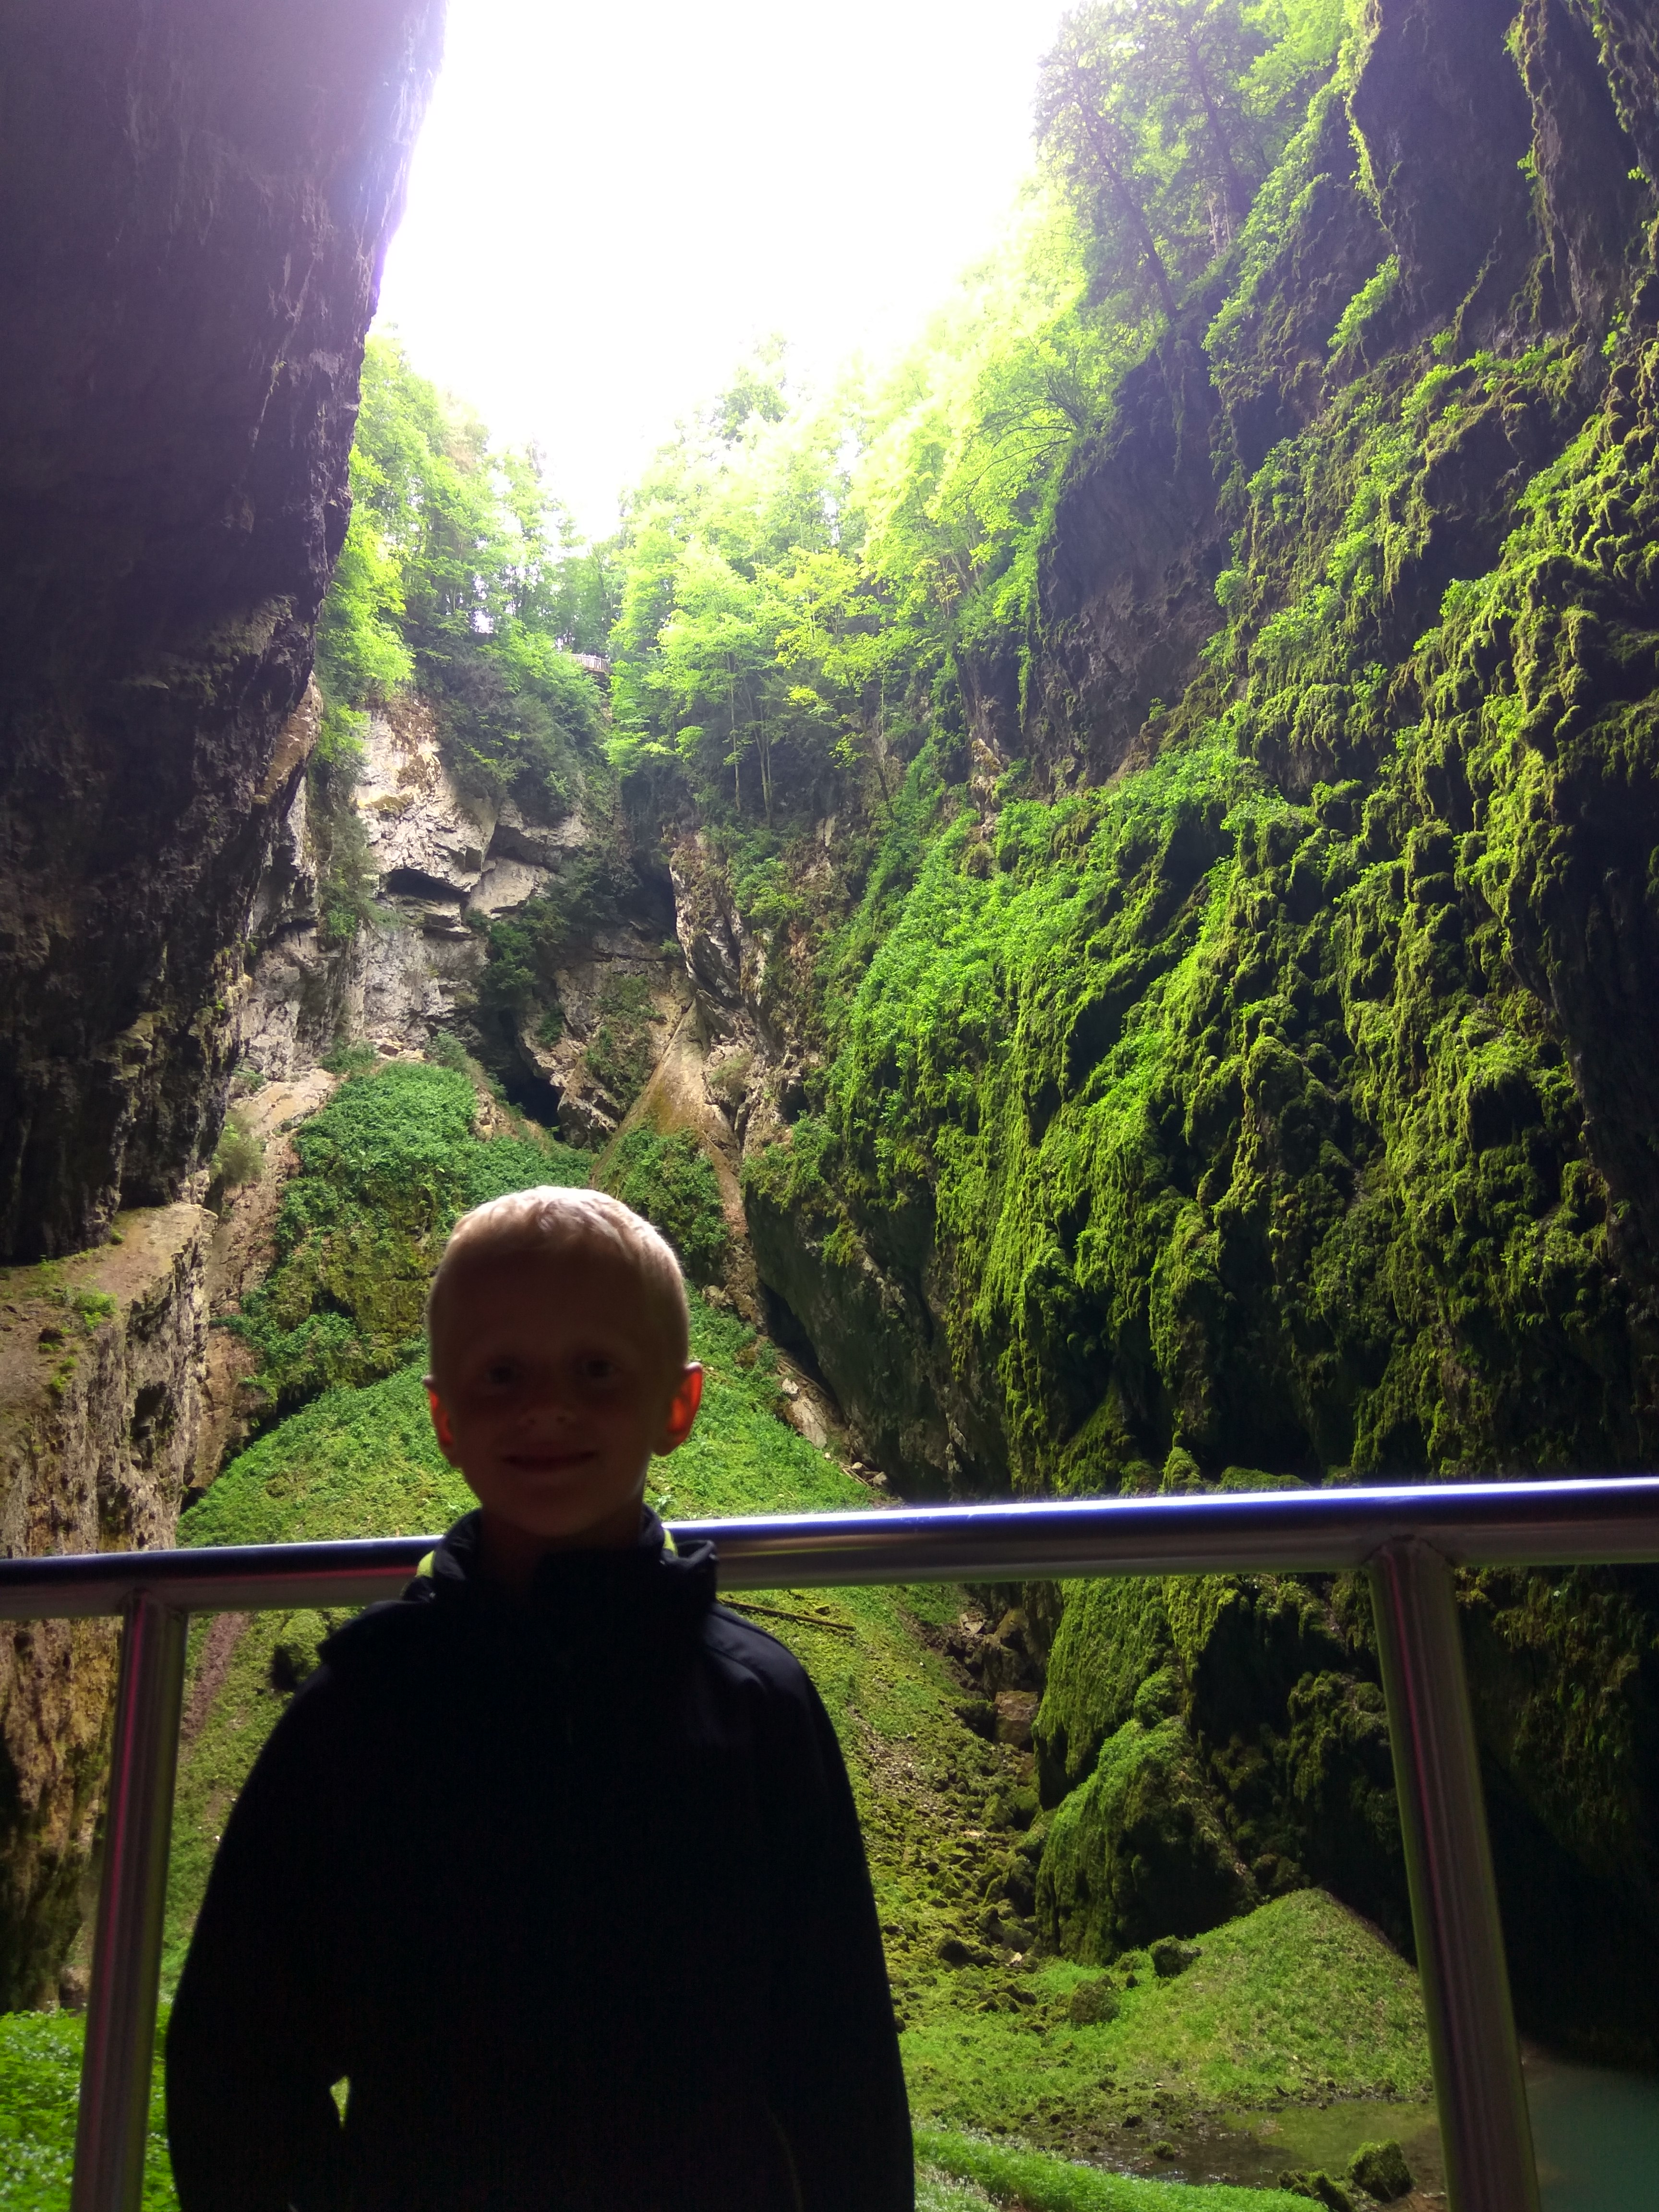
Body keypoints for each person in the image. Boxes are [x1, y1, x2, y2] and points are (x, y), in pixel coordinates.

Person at [166, 1185, 914, 2212]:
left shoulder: (761, 1712)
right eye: (503, 1373)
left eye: (595, 1369)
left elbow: (842, 2071)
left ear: (678, 1407)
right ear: (445, 1418)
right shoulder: (360, 1714)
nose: (547, 1407)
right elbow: (235, 2054)